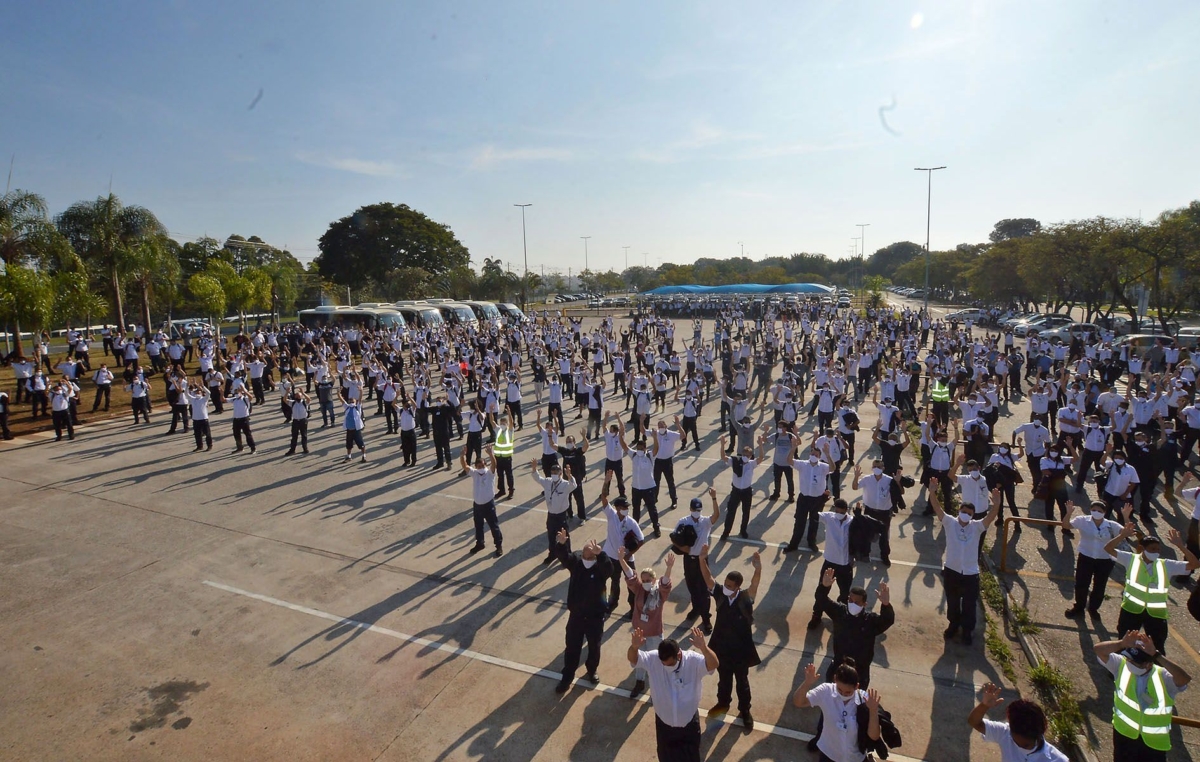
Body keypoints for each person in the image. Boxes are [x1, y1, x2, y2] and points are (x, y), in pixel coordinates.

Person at [1094, 630, 1191, 761]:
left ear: (1149, 663)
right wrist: (1121, 643)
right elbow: (1098, 649)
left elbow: (1184, 679)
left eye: (1136, 662)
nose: (1130, 663)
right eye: (1130, 659)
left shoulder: (1163, 677)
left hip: (1153, 744)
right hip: (1124, 736)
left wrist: (1157, 655)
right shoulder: (1121, 665)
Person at [1103, 523, 1199, 655]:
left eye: (1158, 550)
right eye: (1153, 549)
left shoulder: (1167, 565)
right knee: (1124, 642)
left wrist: (1180, 546)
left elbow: (1194, 564)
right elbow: (1108, 548)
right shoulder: (1130, 559)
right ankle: (1119, 666)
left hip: (1156, 613)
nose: (1156, 552)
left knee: (1157, 646)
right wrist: (1122, 536)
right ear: (1142, 548)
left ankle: (1157, 671)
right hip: (1131, 609)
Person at [627, 627, 718, 762]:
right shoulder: (654, 659)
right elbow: (633, 659)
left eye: (670, 664)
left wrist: (704, 648)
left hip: (688, 725)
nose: (667, 667)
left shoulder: (693, 661)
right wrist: (634, 647)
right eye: (664, 664)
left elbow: (713, 664)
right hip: (664, 726)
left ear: (679, 655)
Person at [698, 545, 762, 730]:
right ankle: (723, 704)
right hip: (722, 647)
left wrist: (758, 568)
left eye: (729, 586)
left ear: (737, 587)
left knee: (742, 682)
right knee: (724, 680)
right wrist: (702, 560)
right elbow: (708, 579)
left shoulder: (745, 598)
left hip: (741, 649)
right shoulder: (720, 594)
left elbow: (755, 584)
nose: (725, 587)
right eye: (725, 584)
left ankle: (745, 710)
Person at [930, 486, 1001, 645]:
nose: (966, 515)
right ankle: (953, 625)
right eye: (964, 511)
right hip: (952, 571)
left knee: (969, 605)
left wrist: (996, 504)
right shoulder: (950, 523)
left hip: (970, 574)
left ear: (973, 515)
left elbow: (991, 517)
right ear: (958, 511)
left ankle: (967, 631)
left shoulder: (977, 527)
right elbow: (937, 507)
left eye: (969, 513)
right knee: (953, 602)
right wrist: (932, 492)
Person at [553, 530, 613, 694]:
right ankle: (567, 677)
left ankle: (591, 670)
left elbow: (609, 569)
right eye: (584, 555)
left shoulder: (600, 568)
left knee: (594, 646)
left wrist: (600, 555)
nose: (586, 559)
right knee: (572, 647)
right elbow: (565, 557)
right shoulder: (577, 563)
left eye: (590, 556)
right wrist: (562, 544)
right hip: (577, 616)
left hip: (595, 617)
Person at [792, 660, 882, 762]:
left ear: (856, 686)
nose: (843, 694)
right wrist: (807, 683)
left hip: (855, 758)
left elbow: (874, 736)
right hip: (829, 755)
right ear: (835, 679)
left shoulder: (864, 700)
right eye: (840, 690)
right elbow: (798, 702)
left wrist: (873, 711)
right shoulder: (826, 691)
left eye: (848, 692)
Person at [619, 548, 674, 698]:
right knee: (639, 659)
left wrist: (668, 568)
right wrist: (621, 560)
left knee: (656, 662)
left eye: (648, 580)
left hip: (655, 634)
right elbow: (630, 576)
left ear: (654, 580)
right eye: (643, 580)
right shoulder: (638, 589)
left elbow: (665, 584)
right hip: (639, 633)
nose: (645, 583)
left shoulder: (660, 594)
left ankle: (657, 686)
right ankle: (639, 682)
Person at [968, 683, 1068, 762]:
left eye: (1027, 745)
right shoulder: (1005, 733)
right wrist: (984, 705)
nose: (1020, 745)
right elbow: (974, 722)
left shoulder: (1058, 760)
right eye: (1017, 742)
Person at [1063, 500, 1127, 618]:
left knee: (1099, 585)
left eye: (1100, 511)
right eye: (1094, 510)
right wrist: (1068, 513)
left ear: (1105, 512)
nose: (1096, 512)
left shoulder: (1111, 525)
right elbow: (1066, 525)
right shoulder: (1082, 520)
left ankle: (1093, 608)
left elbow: (1127, 532)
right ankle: (1079, 607)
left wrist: (1126, 517)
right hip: (1086, 557)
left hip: (1105, 560)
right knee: (1082, 583)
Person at [671, 488, 720, 635]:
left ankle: (706, 619)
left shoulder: (705, 522)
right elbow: (674, 538)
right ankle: (696, 609)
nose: (696, 512)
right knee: (692, 587)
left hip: (702, 560)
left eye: (698, 510)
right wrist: (684, 549)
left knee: (704, 591)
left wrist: (714, 498)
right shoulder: (683, 521)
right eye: (694, 509)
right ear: (690, 509)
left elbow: (716, 516)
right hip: (689, 559)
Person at [717, 433, 766, 541]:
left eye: (748, 455)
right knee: (731, 512)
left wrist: (761, 445)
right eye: (744, 454)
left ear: (750, 456)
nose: (745, 456)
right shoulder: (735, 462)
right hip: (736, 491)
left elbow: (761, 457)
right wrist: (722, 445)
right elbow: (723, 457)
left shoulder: (751, 464)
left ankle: (743, 530)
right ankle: (726, 532)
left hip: (746, 491)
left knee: (746, 512)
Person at [786, 441, 832, 553]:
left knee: (814, 522)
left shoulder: (823, 467)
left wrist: (828, 454)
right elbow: (789, 461)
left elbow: (833, 468)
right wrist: (793, 448)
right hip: (804, 498)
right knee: (799, 522)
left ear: (820, 457)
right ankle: (793, 544)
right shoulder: (802, 464)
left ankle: (811, 542)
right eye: (812, 454)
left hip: (817, 500)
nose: (813, 456)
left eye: (816, 455)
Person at [532, 459, 577, 566]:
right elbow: (537, 478)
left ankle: (568, 555)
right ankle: (552, 554)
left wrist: (569, 475)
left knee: (564, 537)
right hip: (551, 515)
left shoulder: (565, 484)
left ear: (561, 473)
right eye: (552, 473)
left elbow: (574, 485)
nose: (554, 475)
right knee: (551, 536)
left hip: (561, 515)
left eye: (556, 473)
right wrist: (534, 468)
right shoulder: (548, 482)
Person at [466, 446, 503, 558]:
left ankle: (498, 546)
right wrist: (462, 456)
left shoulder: (490, 473)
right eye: (478, 466)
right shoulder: (475, 473)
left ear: (485, 465)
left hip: (488, 504)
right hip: (477, 505)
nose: (481, 468)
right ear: (476, 467)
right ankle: (480, 543)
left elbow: (494, 465)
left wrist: (491, 454)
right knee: (478, 526)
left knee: (494, 526)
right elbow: (465, 466)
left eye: (482, 465)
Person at [225, 386, 256, 454]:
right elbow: (224, 400)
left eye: (237, 392)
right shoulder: (234, 399)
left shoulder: (245, 399)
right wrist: (221, 393)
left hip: (244, 419)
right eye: (235, 392)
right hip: (236, 419)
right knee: (236, 434)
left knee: (247, 434)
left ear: (241, 393)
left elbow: (251, 397)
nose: (236, 394)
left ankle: (253, 448)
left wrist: (244, 391)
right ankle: (239, 447)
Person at [186, 381, 213, 451]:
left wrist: (203, 387)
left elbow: (208, 393)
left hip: (204, 419)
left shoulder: (204, 399)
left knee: (207, 434)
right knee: (197, 434)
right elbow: (186, 394)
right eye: (196, 392)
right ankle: (199, 446)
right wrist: (187, 387)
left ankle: (209, 445)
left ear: (201, 393)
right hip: (196, 420)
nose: (197, 393)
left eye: (199, 392)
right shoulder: (193, 400)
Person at [285, 389, 311, 455]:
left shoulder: (304, 402)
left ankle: (305, 448)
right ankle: (292, 450)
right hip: (295, 421)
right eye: (296, 396)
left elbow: (309, 399)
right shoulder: (293, 402)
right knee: (294, 436)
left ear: (301, 396)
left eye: (299, 396)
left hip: (303, 420)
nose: (298, 397)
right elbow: (285, 400)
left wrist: (303, 393)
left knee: (304, 435)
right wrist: (287, 392)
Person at [342, 397, 367, 462]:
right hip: (349, 430)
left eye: (352, 400)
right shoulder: (347, 407)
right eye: (349, 400)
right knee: (348, 444)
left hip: (356, 430)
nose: (351, 401)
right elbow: (341, 400)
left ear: (356, 402)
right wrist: (338, 393)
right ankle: (349, 456)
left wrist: (361, 391)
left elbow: (361, 398)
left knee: (360, 443)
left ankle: (364, 456)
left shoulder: (357, 407)